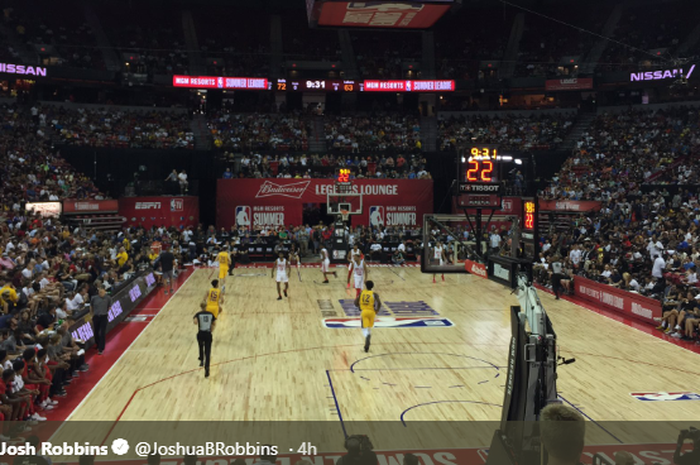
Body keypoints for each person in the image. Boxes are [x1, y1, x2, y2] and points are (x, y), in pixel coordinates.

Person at [354, 280, 382, 353]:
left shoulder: (362, 293)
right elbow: (379, 303)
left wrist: (359, 306)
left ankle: (367, 336)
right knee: (369, 327)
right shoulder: (374, 294)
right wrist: (377, 310)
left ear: (366, 286)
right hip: (372, 312)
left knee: (364, 328)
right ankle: (367, 344)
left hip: (364, 312)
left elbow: (355, 302)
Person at [193, 302, 216, 378]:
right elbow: (214, 324)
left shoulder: (198, 314)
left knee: (200, 346)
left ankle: (201, 359)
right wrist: (211, 329)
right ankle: (207, 368)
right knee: (208, 351)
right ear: (206, 306)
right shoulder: (210, 314)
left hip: (201, 333)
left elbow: (195, 322)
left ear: (200, 307)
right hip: (208, 333)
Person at [90, 287, 111, 355]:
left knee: (102, 332)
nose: (101, 293)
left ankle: (101, 348)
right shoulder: (94, 298)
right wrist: (91, 315)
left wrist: (106, 312)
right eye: (99, 292)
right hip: (96, 316)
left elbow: (109, 307)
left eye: (102, 292)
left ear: (105, 292)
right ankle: (98, 344)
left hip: (104, 316)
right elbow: (91, 306)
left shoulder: (108, 298)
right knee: (96, 332)